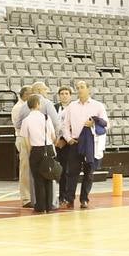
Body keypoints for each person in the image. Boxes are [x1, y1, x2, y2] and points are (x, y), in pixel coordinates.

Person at [58, 80, 108, 208]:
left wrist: (94, 123)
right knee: (72, 172)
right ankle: (69, 199)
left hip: (91, 143)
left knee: (89, 172)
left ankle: (84, 198)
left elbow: (106, 124)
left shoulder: (98, 106)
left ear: (88, 89)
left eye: (82, 87)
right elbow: (65, 125)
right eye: (77, 87)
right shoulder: (72, 106)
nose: (79, 89)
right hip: (75, 142)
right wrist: (68, 139)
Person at [21, 94, 57, 213]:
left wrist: (31, 151)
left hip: (36, 149)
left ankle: (40, 206)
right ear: (38, 104)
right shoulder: (46, 118)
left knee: (38, 178)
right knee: (49, 177)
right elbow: (53, 136)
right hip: (48, 148)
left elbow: (26, 140)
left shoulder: (26, 120)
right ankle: (49, 205)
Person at [11, 85, 33, 207]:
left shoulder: (28, 107)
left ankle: (32, 195)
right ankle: (26, 198)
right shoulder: (18, 107)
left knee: (30, 168)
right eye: (30, 93)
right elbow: (19, 125)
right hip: (22, 137)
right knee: (24, 168)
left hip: (31, 138)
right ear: (25, 95)